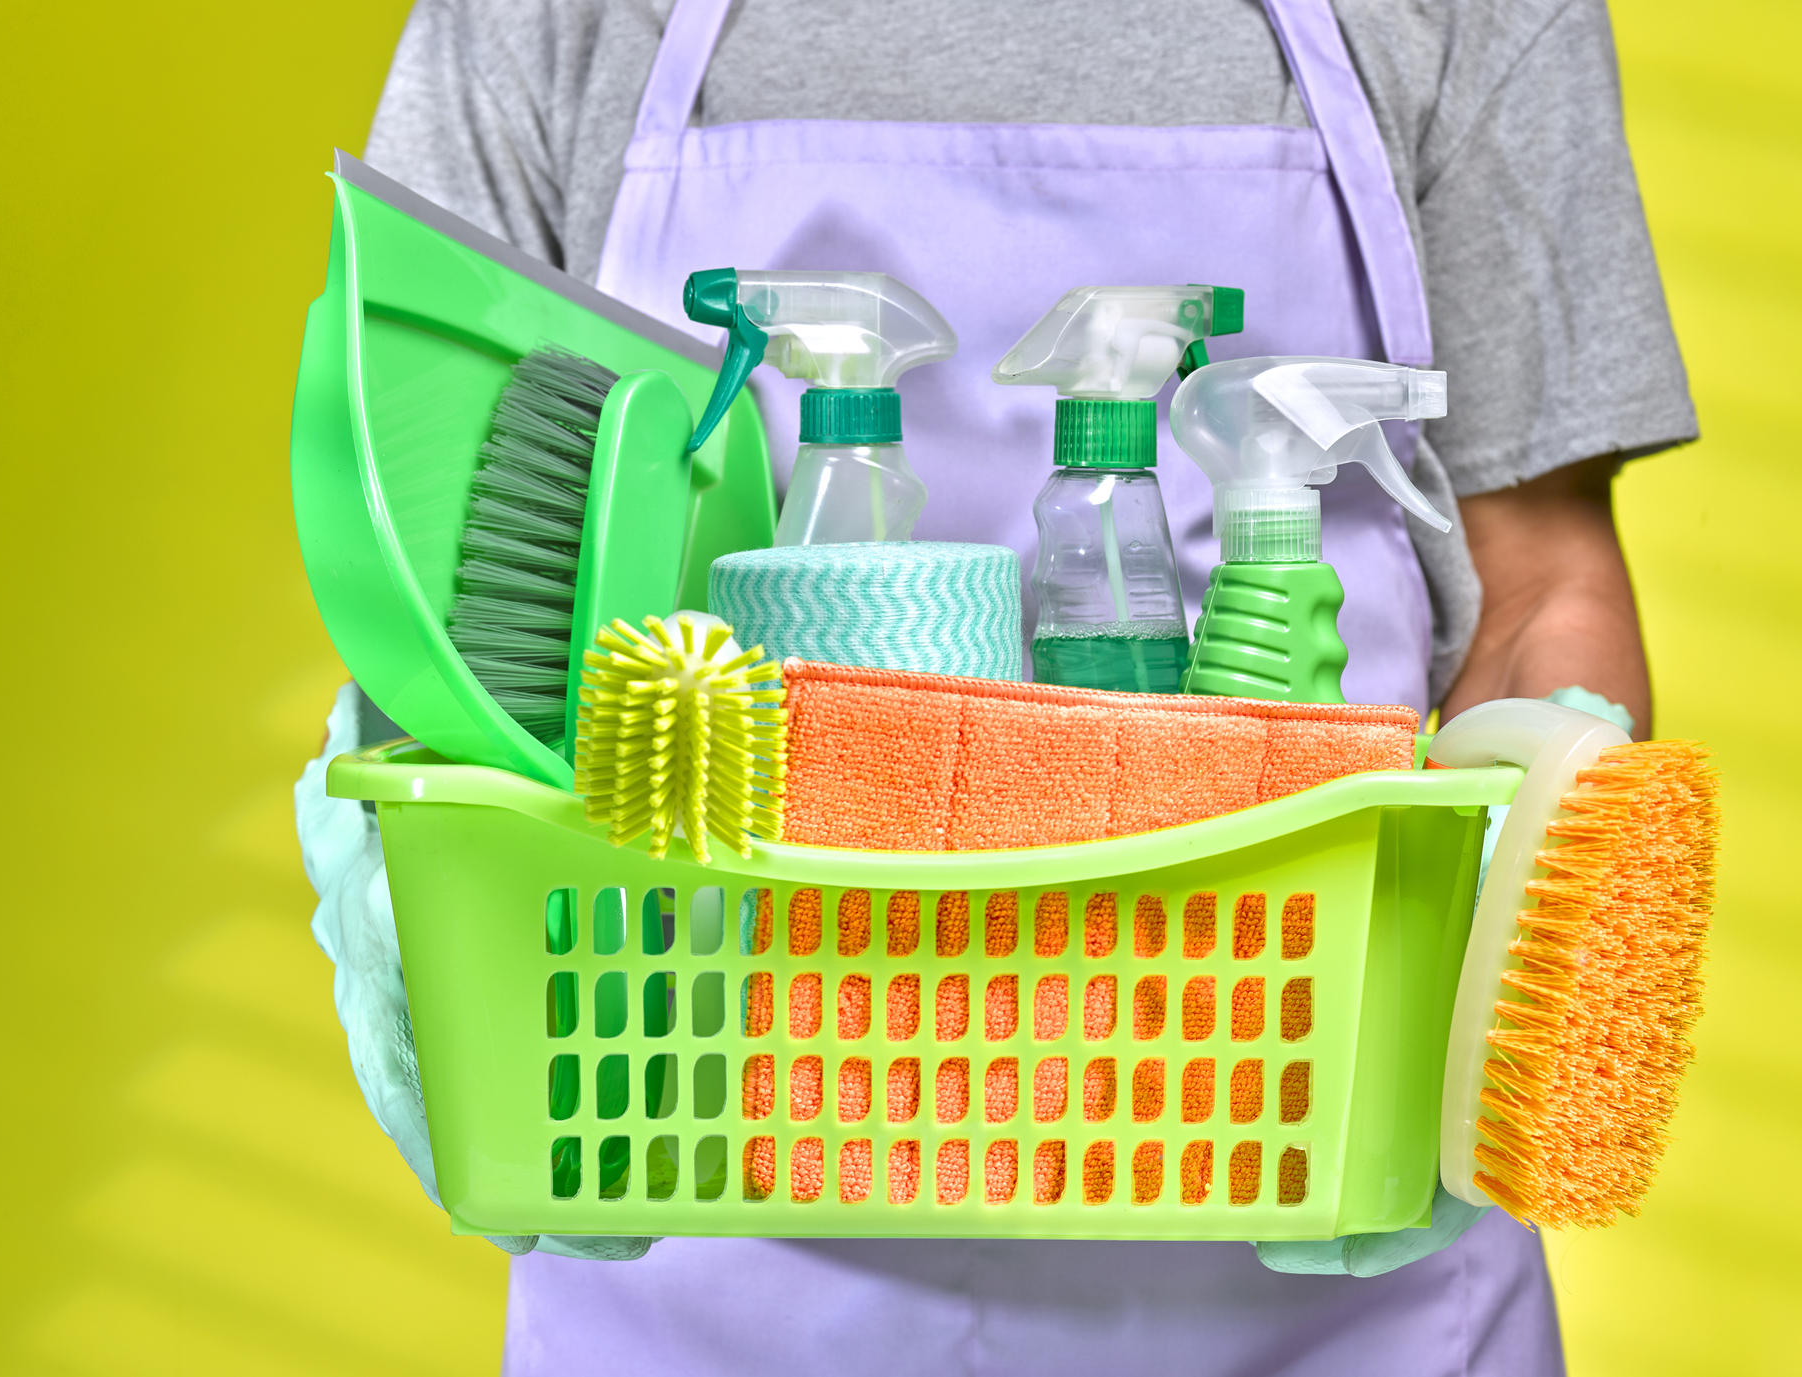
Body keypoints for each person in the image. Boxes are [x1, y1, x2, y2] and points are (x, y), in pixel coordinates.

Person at [317, 0, 1696, 1370]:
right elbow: (454, 551)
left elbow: (1539, 576)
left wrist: (1514, 933)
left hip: (1310, 1163)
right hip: (699, 1173)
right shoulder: (544, 19)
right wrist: (419, 912)